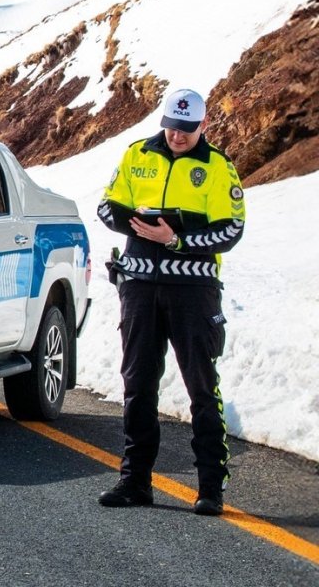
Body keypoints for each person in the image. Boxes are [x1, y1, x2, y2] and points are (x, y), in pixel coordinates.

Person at [95, 87, 246, 517]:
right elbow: (107, 208)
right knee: (137, 384)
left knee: (201, 386)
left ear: (203, 125)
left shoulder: (217, 167)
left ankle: (211, 488)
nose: (177, 137)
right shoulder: (137, 154)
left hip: (193, 294)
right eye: (172, 127)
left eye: (187, 129)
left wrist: (176, 239)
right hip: (140, 286)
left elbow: (230, 229)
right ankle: (134, 481)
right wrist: (137, 223)